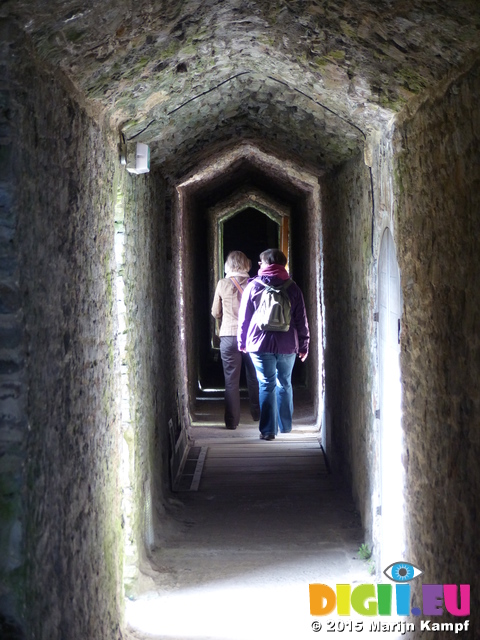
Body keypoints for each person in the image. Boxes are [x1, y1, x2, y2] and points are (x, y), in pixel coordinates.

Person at [237, 248, 309, 441]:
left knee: (266, 384)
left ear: (267, 264)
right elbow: (301, 320)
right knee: (284, 383)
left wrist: (242, 341)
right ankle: (285, 426)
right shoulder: (293, 288)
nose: (259, 265)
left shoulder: (253, 286)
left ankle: (268, 430)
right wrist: (304, 345)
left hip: (259, 345)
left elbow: (244, 318)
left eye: (261, 262)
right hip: (287, 344)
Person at [211, 251, 260, 430]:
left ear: (228, 265)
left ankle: (232, 421)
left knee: (231, 380)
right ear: (246, 264)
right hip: (251, 338)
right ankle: (257, 413)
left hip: (229, 336)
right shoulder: (254, 284)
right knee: (254, 376)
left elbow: (216, 312)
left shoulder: (222, 284)